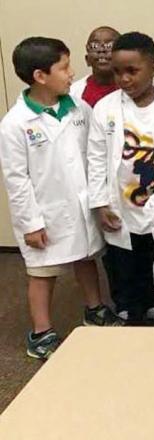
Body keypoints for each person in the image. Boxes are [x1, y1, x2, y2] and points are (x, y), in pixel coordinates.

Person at [0, 37, 121, 359]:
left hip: (79, 204)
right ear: (40, 76)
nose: (72, 73)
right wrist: (30, 223)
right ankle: (42, 331)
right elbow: (17, 179)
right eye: (64, 67)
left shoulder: (79, 108)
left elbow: (93, 156)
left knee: (86, 257)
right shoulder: (14, 124)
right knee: (42, 271)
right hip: (44, 211)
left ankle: (95, 309)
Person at [88, 32, 154, 326]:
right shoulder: (105, 108)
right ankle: (132, 312)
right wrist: (100, 203)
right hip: (123, 206)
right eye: (118, 71)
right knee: (127, 266)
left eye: (132, 71)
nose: (124, 78)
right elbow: (95, 158)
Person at [70, 26, 120, 107]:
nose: (101, 50)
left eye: (110, 45)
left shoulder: (132, 90)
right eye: (94, 46)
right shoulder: (73, 92)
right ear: (87, 60)